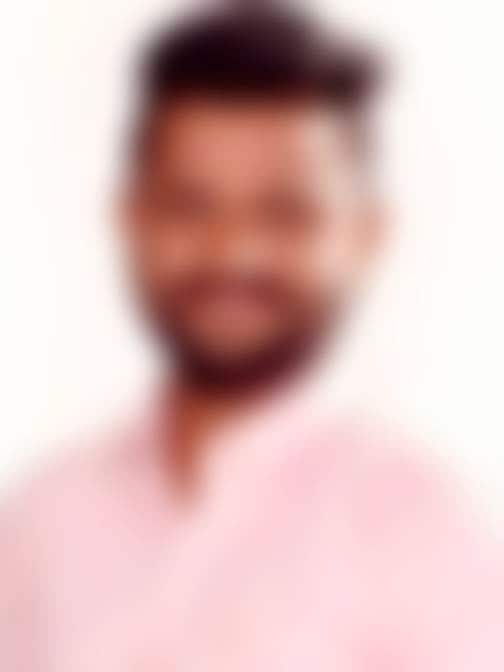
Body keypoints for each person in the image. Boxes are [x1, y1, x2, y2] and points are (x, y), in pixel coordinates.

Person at [1, 3, 503, 670]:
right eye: (190, 206)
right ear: (131, 221)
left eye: (285, 213)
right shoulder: (43, 523)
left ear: (364, 236)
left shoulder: (425, 535)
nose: (234, 252)